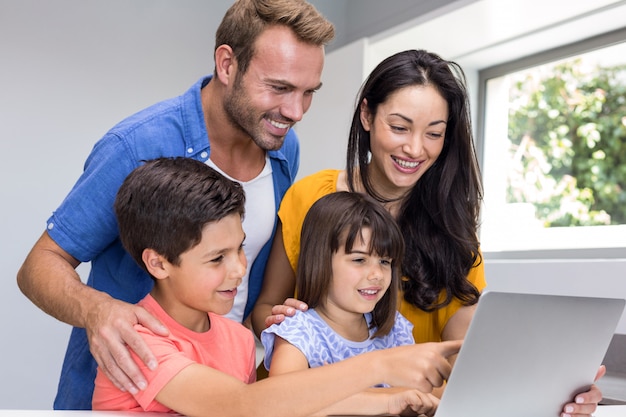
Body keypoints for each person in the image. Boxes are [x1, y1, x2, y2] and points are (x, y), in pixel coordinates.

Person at [16, 0, 335, 409]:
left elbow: (251, 283)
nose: (296, 112)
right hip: (133, 388)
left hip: (223, 388)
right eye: (279, 88)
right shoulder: (136, 147)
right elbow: (38, 265)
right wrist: (98, 310)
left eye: (309, 93)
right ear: (226, 64)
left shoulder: (282, 146)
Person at [251, 49, 605, 417]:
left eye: (433, 133)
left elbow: (468, 351)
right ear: (367, 115)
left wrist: (551, 388)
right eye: (400, 127)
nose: (415, 148)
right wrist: (288, 325)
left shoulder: (452, 228)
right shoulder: (311, 197)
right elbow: (264, 309)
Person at [92, 156, 462, 417]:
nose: (240, 269)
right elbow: (244, 407)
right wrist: (382, 366)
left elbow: (283, 405)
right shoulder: (134, 342)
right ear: (158, 262)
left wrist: (388, 401)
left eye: (239, 248)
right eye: (216, 258)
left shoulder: (237, 340)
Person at [262, 191, 440, 416]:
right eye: (359, 260)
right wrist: (390, 399)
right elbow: (282, 403)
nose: (377, 274)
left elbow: (427, 392)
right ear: (321, 260)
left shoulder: (395, 329)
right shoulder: (298, 332)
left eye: (384, 261)